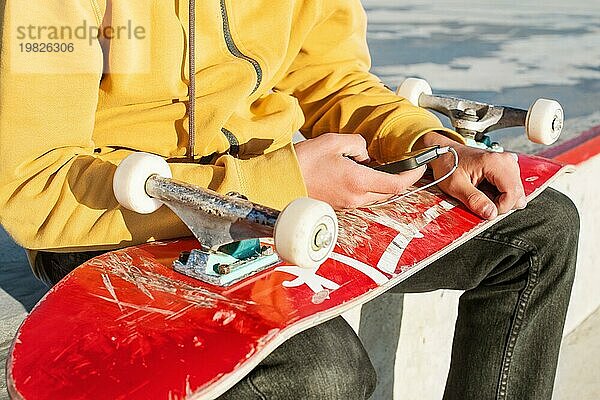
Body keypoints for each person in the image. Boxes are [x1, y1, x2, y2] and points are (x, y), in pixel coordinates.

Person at [0, 1, 578, 399]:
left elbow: (334, 80)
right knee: (323, 371)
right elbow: (33, 182)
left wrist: (428, 144)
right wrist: (279, 183)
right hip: (118, 224)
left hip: (285, 197)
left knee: (537, 227)